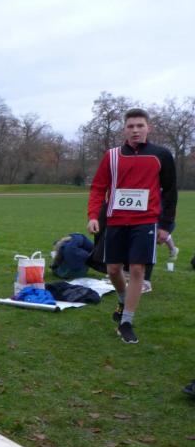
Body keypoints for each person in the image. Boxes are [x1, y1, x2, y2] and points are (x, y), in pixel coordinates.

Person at [87, 108, 177, 344]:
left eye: (140, 126)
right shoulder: (112, 156)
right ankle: (122, 298)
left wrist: (166, 225)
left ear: (148, 128)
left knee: (137, 270)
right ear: (124, 129)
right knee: (113, 270)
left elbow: (170, 192)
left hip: (145, 222)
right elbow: (98, 187)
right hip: (115, 220)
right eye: (131, 126)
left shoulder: (161, 155)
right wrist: (93, 216)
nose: (135, 130)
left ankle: (126, 322)